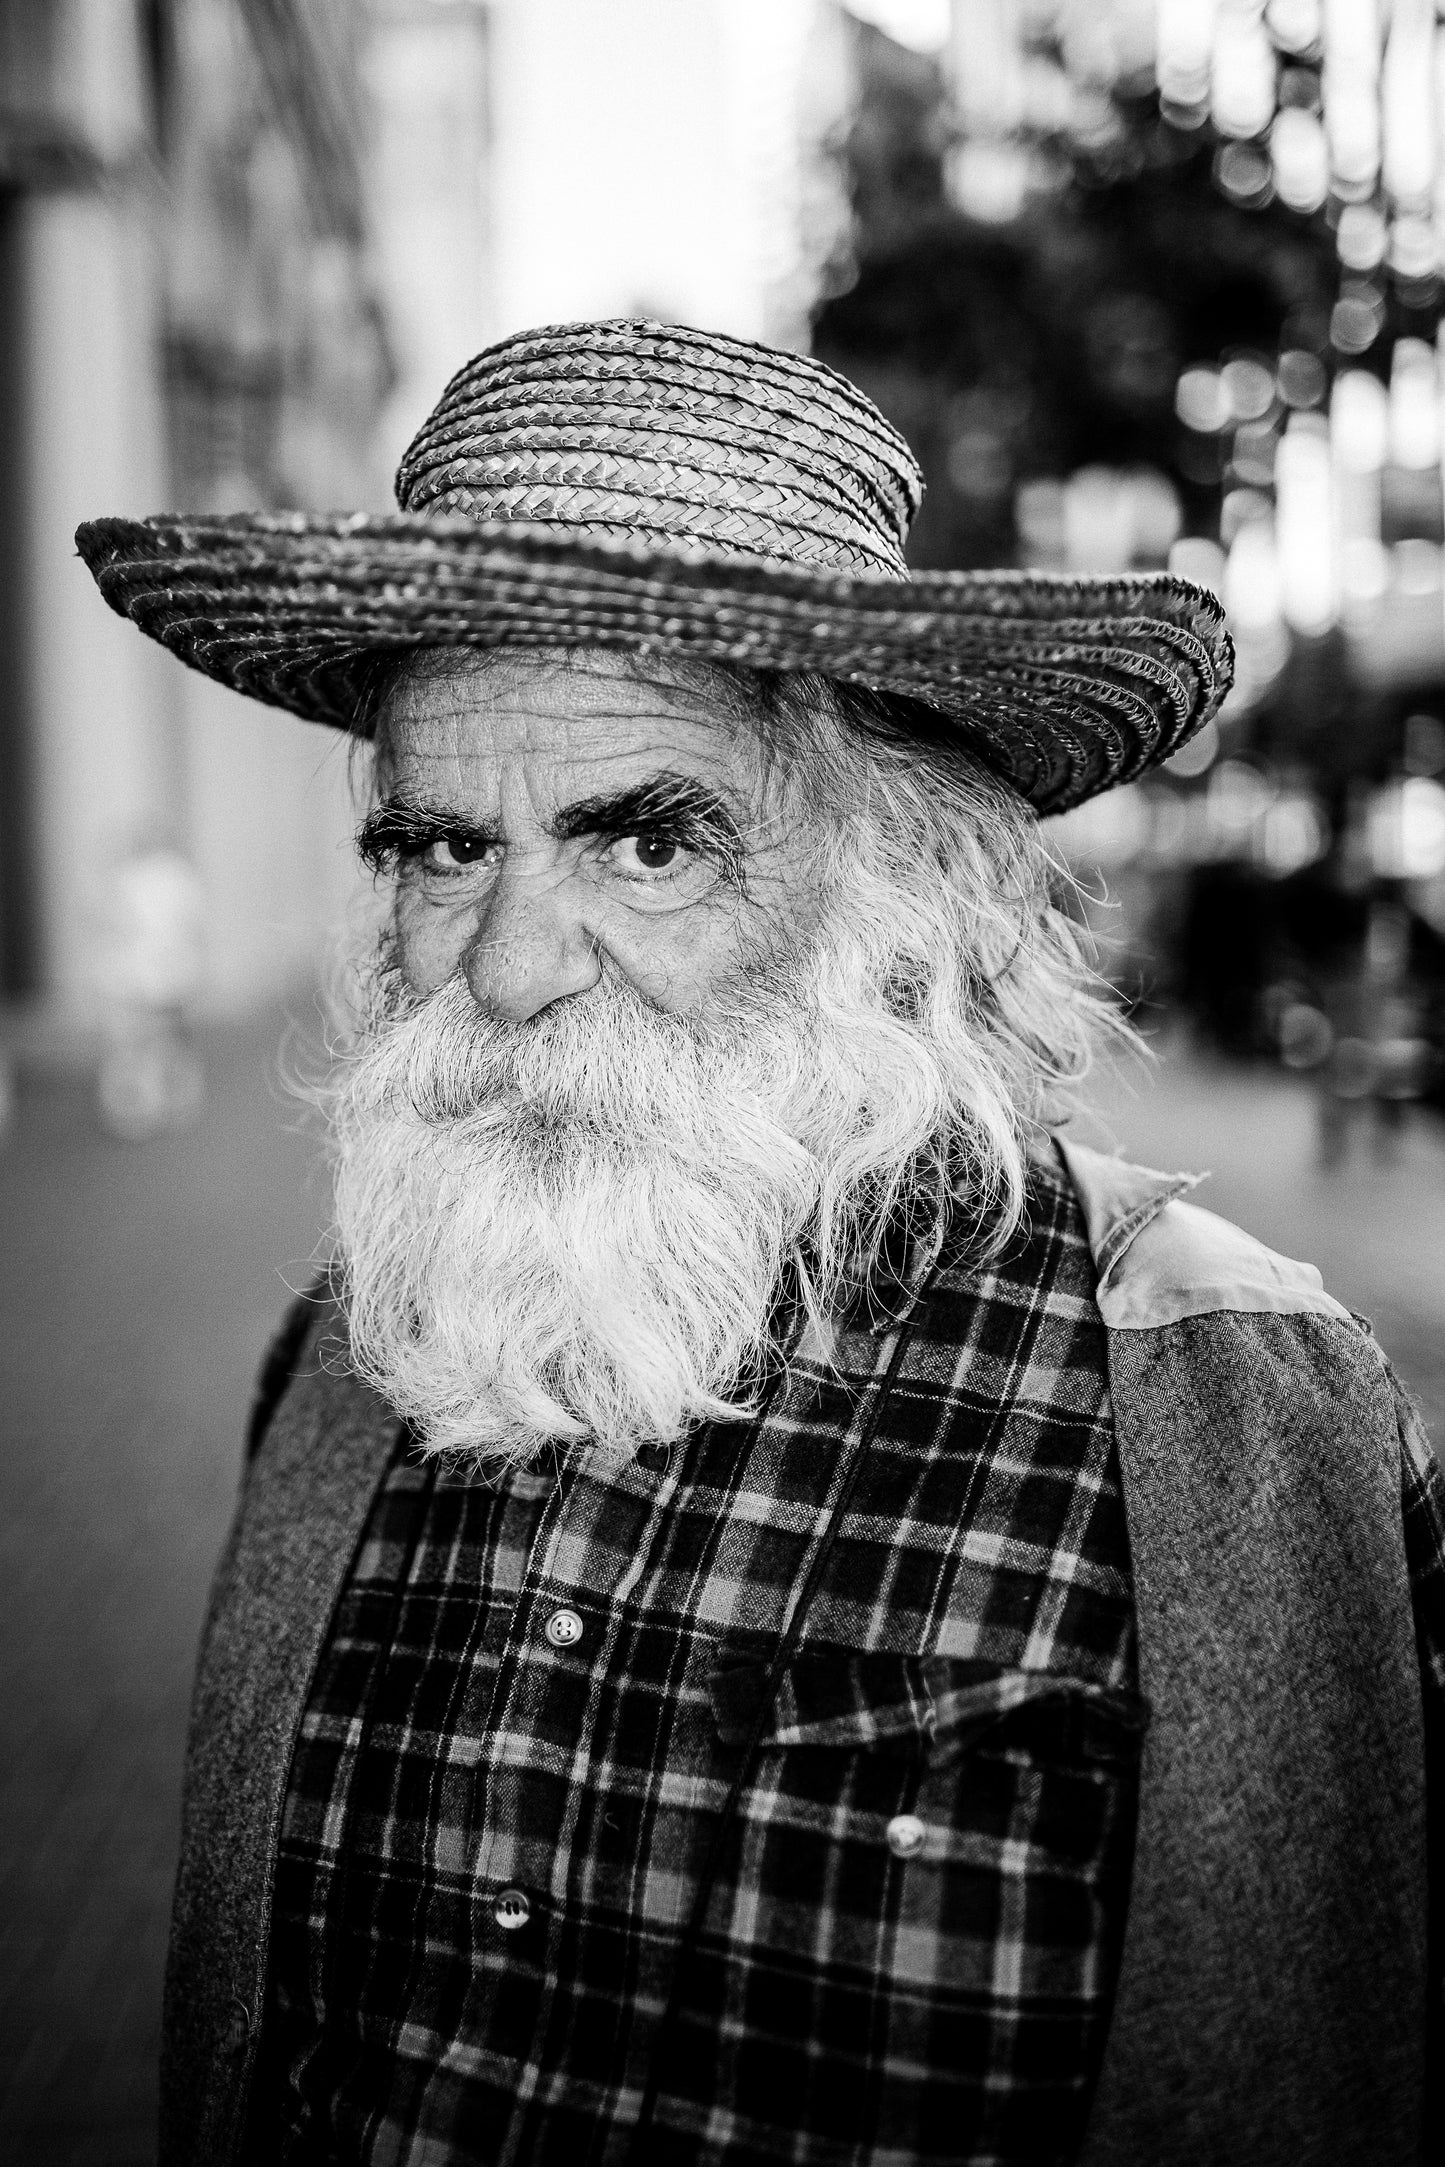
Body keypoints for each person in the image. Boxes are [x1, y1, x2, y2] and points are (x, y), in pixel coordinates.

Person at [79, 320, 1443, 2167]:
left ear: (911, 880)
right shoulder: (347, 1360)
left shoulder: (1233, 1418)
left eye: (646, 847)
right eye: (443, 850)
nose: (510, 966)